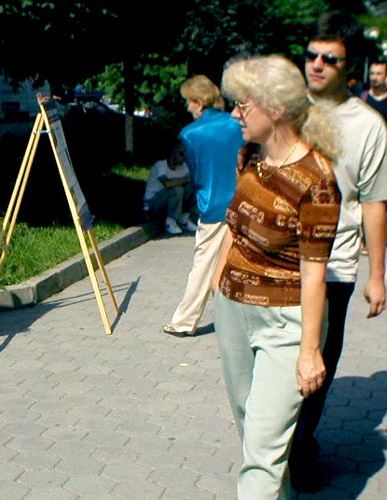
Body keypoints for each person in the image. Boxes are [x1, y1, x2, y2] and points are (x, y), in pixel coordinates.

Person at [214, 54, 342, 500]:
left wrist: (310, 351)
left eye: (242, 104)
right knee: (252, 431)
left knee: (263, 453)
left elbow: (314, 272)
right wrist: (218, 280)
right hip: (233, 310)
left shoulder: (317, 181)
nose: (234, 113)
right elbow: (235, 225)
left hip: (285, 322)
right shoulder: (251, 155)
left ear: (276, 109)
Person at [289, 12, 387, 492]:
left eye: (330, 59)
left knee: (316, 369)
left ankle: (300, 449)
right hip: (279, 262)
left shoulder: (369, 126)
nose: (317, 65)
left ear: (350, 68)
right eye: (312, 55)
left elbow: (374, 202)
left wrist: (377, 275)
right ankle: (275, 449)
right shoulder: (286, 109)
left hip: (334, 267)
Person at [161, 75, 244, 337]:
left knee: (204, 263)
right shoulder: (236, 123)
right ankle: (241, 318)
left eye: (189, 101)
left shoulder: (189, 134)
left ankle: (185, 321)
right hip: (243, 201)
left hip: (212, 204)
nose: (187, 107)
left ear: (198, 102)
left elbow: (195, 174)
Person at [142, 142, 197, 235]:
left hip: (171, 203)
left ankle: (184, 218)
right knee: (177, 189)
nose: (184, 157)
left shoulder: (184, 167)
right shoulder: (160, 165)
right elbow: (167, 183)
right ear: (172, 153)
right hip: (153, 203)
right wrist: (186, 180)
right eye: (181, 154)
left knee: (193, 188)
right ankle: (170, 221)